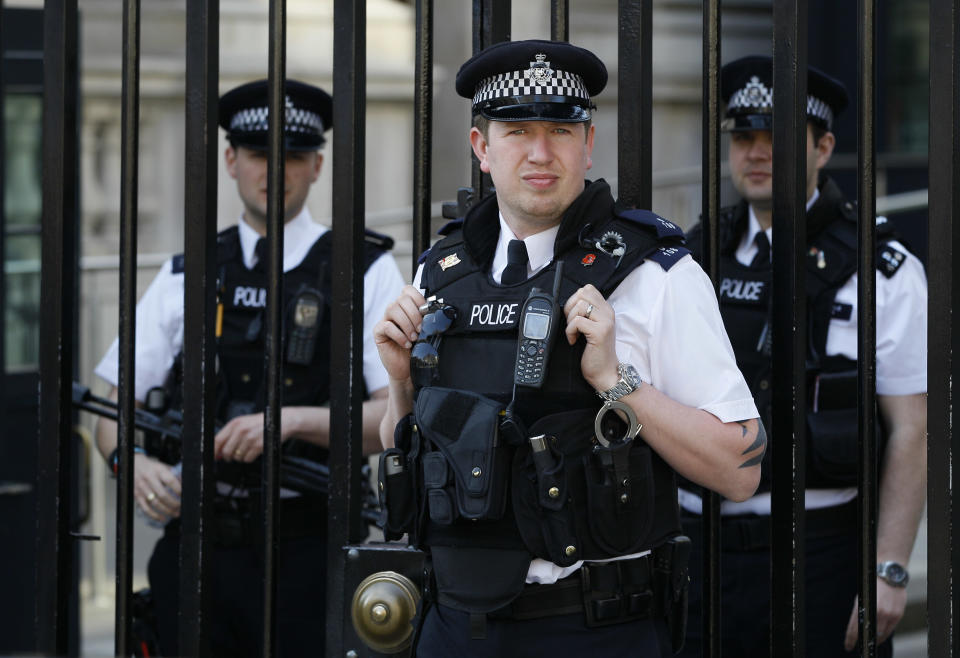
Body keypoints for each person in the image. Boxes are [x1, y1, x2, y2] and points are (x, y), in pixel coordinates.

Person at [373, 39, 763, 656]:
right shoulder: (438, 274)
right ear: (482, 148)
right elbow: (411, 459)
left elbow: (741, 469)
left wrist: (616, 382)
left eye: (560, 128)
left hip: (594, 626)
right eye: (517, 130)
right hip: (453, 626)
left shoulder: (652, 274)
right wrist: (401, 383)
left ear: (588, 142)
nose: (539, 152)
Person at [92, 79, 405, 656]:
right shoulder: (188, 273)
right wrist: (129, 461)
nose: (275, 170)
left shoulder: (364, 270)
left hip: (315, 546)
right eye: (260, 154)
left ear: (317, 165)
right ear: (232, 160)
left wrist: (289, 423)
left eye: (294, 156)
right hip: (200, 545)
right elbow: (110, 408)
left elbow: (396, 419)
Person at [680, 55, 928, 657]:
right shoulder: (690, 259)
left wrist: (889, 568)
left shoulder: (883, 270)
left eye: (779, 138)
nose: (758, 153)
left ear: (823, 148)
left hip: (818, 554)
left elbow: (911, 430)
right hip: (694, 550)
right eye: (744, 137)